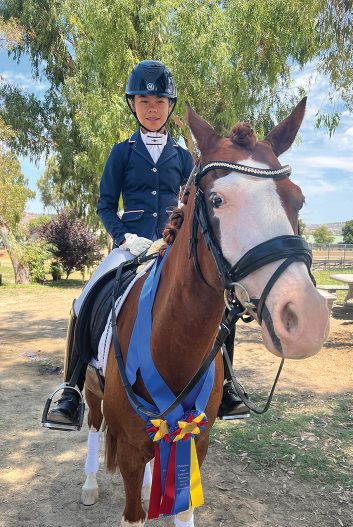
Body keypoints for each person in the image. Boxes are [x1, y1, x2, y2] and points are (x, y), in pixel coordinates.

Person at [44, 60, 248, 430]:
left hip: (174, 248)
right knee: (87, 296)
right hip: (132, 244)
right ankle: (72, 388)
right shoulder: (121, 152)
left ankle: (229, 384)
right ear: (133, 105)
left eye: (159, 101)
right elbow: (105, 204)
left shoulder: (184, 157)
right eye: (144, 101)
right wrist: (124, 237)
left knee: (219, 298)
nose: (152, 108)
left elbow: (194, 205)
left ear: (170, 106)